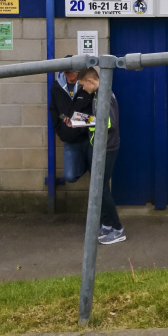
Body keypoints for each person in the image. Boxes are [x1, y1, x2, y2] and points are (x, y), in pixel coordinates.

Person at [77, 67, 124, 245]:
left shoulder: (104, 96)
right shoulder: (99, 94)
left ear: (90, 81)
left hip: (107, 148)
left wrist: (82, 121)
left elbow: (109, 123)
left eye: (82, 85)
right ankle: (106, 224)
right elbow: (100, 119)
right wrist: (81, 119)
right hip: (101, 147)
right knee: (99, 187)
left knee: (102, 188)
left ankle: (117, 229)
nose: (82, 89)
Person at [49, 64, 93, 184]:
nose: (69, 74)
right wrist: (61, 130)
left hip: (89, 138)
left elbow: (94, 110)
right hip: (70, 140)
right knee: (70, 176)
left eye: (72, 71)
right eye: (66, 71)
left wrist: (82, 124)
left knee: (96, 171)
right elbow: (54, 110)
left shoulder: (86, 86)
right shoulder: (56, 87)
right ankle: (84, 165)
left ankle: (89, 166)